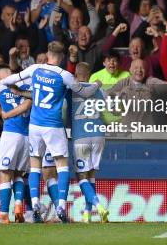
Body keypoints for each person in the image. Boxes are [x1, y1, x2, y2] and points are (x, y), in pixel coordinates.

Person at [0, 41, 100, 223]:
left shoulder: (35, 68)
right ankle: (60, 205)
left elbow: (14, 78)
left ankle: (35, 202)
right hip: (53, 126)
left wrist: (3, 84)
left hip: (35, 125)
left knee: (35, 165)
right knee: (62, 166)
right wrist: (97, 84)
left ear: (48, 53)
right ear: (61, 57)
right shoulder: (65, 75)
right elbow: (83, 92)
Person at [0, 65, 32, 224]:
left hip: (10, 134)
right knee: (19, 174)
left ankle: (3, 214)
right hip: (27, 136)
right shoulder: (27, 87)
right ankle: (18, 205)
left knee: (5, 173)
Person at [70, 62, 109, 223]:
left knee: (81, 175)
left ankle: (99, 205)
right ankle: (87, 214)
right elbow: (111, 108)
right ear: (89, 74)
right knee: (91, 174)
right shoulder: (99, 89)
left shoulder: (71, 90)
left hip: (81, 136)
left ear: (76, 75)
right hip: (99, 134)